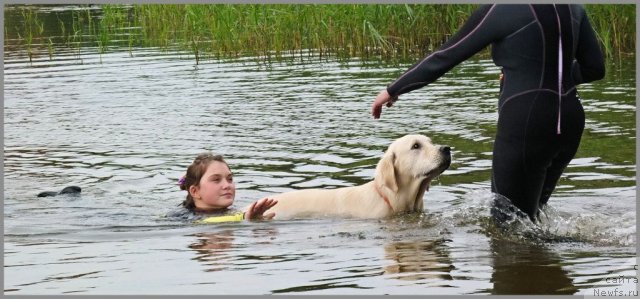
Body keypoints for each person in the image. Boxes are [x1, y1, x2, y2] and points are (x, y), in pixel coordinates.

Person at [371, 4, 605, 223]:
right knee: (531, 219)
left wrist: (393, 89)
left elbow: (447, 55)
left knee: (507, 225)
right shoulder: (573, 7)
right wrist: (553, 80)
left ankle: (532, 262)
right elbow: (595, 68)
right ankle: (547, 264)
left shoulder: (504, 8)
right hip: (571, 121)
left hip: (527, 120)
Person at [171, 152, 278, 223]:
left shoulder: (233, 211)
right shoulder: (187, 218)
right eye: (216, 180)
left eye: (230, 179)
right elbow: (202, 222)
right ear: (195, 191)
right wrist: (244, 217)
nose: (227, 185)